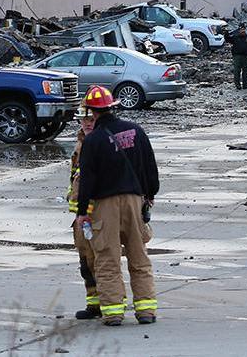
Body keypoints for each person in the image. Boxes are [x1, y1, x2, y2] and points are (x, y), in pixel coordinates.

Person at [75, 86, 159, 327]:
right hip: (135, 200)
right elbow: (150, 167)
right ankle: (146, 311)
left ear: (93, 111)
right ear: (114, 106)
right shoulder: (136, 131)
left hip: (105, 205)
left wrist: (82, 213)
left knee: (107, 258)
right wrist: (150, 195)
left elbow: (87, 179)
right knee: (138, 255)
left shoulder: (94, 140)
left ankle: (113, 313)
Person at [68, 106, 101, 320]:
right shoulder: (80, 144)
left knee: (104, 261)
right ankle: (93, 303)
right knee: (86, 263)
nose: (87, 123)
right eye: (83, 119)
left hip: (99, 213)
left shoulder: (100, 142)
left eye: (91, 118)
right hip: (82, 216)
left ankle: (111, 301)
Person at [227, 25, 247, 90]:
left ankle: (245, 85)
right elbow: (228, 39)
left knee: (246, 71)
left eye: (243, 29)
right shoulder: (235, 37)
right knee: (237, 71)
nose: (242, 31)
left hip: (246, 57)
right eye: (241, 30)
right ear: (239, 30)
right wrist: (226, 33)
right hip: (237, 56)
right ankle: (237, 85)